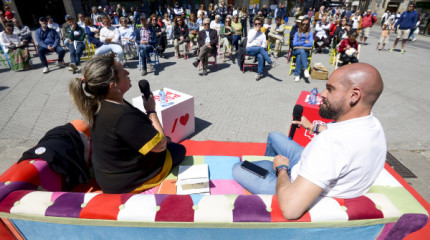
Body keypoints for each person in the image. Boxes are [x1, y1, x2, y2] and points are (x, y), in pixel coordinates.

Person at [232, 62, 386, 220]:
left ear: (354, 95)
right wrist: (313, 127)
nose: (322, 94)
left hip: (295, 185)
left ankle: (270, 170)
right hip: (310, 166)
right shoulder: (373, 125)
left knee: (238, 168)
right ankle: (270, 166)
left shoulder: (330, 144)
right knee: (274, 136)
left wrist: (281, 169)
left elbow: (290, 209)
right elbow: (343, 143)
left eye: (331, 89)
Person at [69, 54, 186, 194]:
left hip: (110, 175)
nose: (128, 73)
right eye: (124, 72)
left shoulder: (100, 102)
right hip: (125, 181)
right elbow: (160, 146)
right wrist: (151, 110)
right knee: (179, 149)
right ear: (113, 86)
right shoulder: (122, 116)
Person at [292, 17, 313, 82]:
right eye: (303, 24)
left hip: (305, 51)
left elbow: (311, 44)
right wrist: (304, 42)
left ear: (308, 25)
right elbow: (294, 44)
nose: (305, 25)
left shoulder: (310, 33)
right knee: (301, 51)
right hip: (296, 50)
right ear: (301, 24)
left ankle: (297, 75)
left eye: (306, 24)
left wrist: (300, 44)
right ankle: (305, 69)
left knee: (299, 55)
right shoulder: (297, 33)